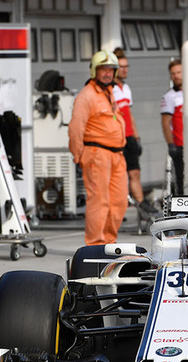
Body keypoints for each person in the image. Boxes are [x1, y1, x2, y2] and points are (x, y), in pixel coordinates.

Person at [68, 50, 128, 245]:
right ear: (94, 70)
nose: (108, 73)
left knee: (119, 202)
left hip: (116, 155)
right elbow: (76, 128)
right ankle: (95, 245)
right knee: (99, 202)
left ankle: (109, 243)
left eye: (111, 70)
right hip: (96, 154)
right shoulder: (86, 96)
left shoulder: (109, 92)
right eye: (103, 69)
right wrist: (79, 156)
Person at [112, 47, 157, 215]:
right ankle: (118, 206)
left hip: (129, 136)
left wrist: (137, 137)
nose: (125, 70)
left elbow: (129, 114)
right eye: (121, 66)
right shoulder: (110, 89)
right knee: (119, 176)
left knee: (135, 172)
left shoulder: (126, 88)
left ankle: (141, 203)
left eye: (127, 66)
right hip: (116, 137)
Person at [161, 59, 184, 194]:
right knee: (182, 180)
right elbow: (165, 122)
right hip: (179, 145)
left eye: (179, 72)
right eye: (173, 73)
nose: (176, 76)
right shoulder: (169, 96)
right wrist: (171, 145)